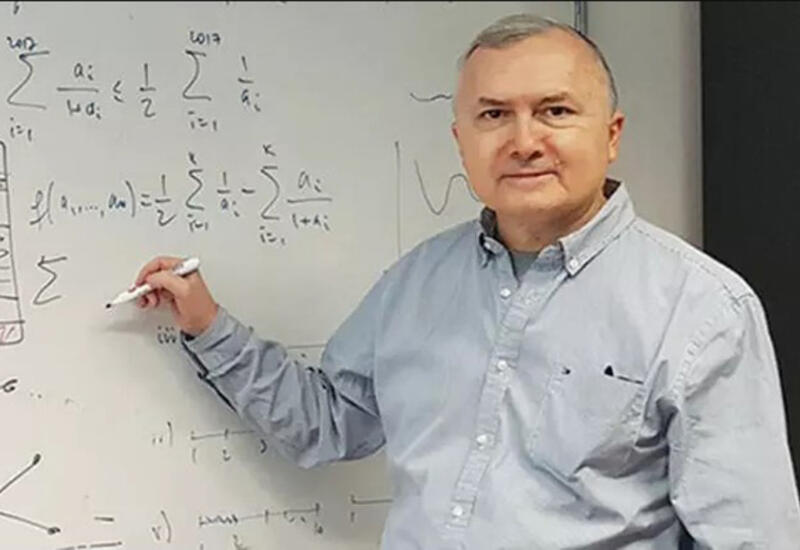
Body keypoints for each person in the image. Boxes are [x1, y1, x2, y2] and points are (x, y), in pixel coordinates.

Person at [133, 13, 800, 549]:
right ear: (461, 141)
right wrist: (208, 326)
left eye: (555, 111)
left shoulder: (702, 310)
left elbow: (748, 537)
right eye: (493, 115)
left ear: (612, 134)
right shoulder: (417, 282)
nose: (524, 141)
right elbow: (330, 422)